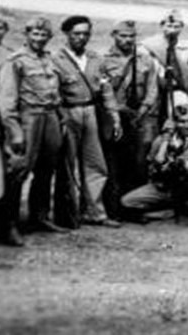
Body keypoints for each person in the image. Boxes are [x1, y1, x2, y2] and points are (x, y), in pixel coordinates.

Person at [0, 16, 65, 243]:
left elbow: (56, 92)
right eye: (35, 34)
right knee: (19, 170)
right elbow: (7, 100)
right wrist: (14, 130)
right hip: (29, 118)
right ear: (27, 35)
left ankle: (39, 216)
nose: (39, 39)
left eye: (44, 35)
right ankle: (8, 225)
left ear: (49, 38)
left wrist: (60, 117)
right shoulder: (15, 61)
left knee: (47, 169)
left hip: (50, 116)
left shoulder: (49, 58)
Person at [51, 15, 121, 228]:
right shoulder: (56, 59)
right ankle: (68, 215)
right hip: (67, 112)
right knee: (67, 166)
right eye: (76, 34)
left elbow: (106, 90)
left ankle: (95, 212)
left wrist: (114, 117)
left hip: (90, 111)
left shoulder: (95, 58)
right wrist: (60, 117)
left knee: (95, 164)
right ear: (67, 34)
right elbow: (53, 92)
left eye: (85, 34)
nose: (81, 38)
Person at [120, 93, 188, 227]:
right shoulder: (162, 140)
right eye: (182, 122)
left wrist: (187, 164)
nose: (186, 125)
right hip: (167, 185)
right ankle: (170, 210)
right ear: (175, 123)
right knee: (127, 201)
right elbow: (153, 165)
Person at [103, 20, 161, 203]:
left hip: (139, 117)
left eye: (131, 36)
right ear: (114, 36)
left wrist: (143, 109)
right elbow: (103, 91)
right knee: (114, 162)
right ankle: (113, 204)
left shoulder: (145, 60)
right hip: (115, 117)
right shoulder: (103, 60)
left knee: (139, 161)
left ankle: (134, 203)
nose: (128, 40)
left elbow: (153, 87)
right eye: (123, 36)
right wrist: (118, 110)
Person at [141, 9, 188, 118]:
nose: (172, 30)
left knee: (181, 118)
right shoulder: (148, 46)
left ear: (182, 27)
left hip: (179, 91)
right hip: (154, 93)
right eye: (169, 26)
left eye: (177, 27)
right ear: (162, 26)